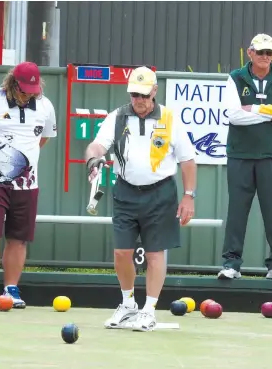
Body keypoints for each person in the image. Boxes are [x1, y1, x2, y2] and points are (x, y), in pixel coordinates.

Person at [85, 66, 196, 332]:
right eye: (134, 94)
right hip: (125, 192)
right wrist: (94, 159)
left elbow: (188, 160)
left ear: (155, 91)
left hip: (161, 193)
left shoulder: (170, 118)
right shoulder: (118, 117)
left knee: (156, 254)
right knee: (122, 252)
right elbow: (97, 145)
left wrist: (188, 196)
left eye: (144, 94)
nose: (139, 100)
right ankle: (128, 305)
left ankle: (149, 309)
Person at [0, 62, 57, 308]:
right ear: (12, 83)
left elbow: (44, 137)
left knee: (18, 238)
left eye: (33, 89)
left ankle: (11, 290)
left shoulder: (46, 106)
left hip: (27, 185)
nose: (29, 93)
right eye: (24, 88)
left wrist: (22, 164)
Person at [218, 34, 272, 281]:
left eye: (269, 53)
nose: (264, 57)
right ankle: (231, 263)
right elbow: (232, 115)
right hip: (240, 154)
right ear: (249, 52)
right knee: (237, 210)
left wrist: (252, 108)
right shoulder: (235, 77)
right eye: (260, 52)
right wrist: (269, 113)